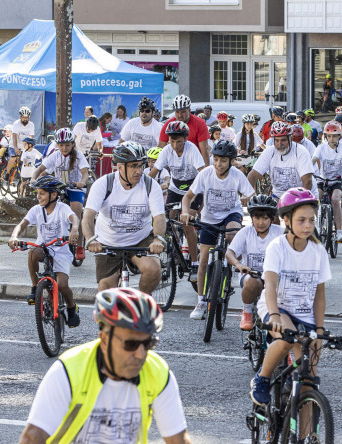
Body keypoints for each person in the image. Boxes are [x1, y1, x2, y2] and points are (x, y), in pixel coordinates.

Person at [20, 288, 196, 444]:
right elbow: (32, 439)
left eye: (148, 344)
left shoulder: (157, 372)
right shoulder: (69, 370)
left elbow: (179, 443)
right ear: (104, 339)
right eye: (131, 344)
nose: (141, 354)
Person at [249, 187, 332, 406]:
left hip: (305, 313)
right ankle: (262, 378)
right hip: (277, 307)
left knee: (309, 379)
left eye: (311, 220)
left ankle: (306, 437)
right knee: (287, 336)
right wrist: (274, 315)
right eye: (301, 220)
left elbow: (320, 294)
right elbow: (270, 284)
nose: (307, 226)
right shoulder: (277, 247)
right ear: (286, 219)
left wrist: (320, 330)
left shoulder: (318, 251)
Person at [181, 140, 254, 320]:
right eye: (216, 159)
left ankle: (237, 267)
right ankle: (200, 302)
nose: (218, 164)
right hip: (210, 218)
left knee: (232, 234)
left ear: (231, 161)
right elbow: (188, 197)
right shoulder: (205, 174)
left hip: (231, 214)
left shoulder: (237, 175)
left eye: (223, 160)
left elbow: (251, 195)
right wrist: (185, 213)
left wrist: (252, 206)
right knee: (203, 259)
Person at [83, 142, 166, 293]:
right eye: (134, 166)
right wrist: (90, 239)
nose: (139, 171)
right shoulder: (103, 184)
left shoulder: (151, 186)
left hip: (139, 239)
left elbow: (159, 217)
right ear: (120, 166)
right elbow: (88, 215)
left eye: (141, 165)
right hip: (108, 242)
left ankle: (140, 304)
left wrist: (158, 239)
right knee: (106, 290)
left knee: (153, 270)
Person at [8, 175, 81, 325]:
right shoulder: (36, 210)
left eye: (42, 193)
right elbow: (22, 225)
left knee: (62, 285)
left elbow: (75, 218)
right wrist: (14, 237)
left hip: (60, 250)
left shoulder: (63, 208)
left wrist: (74, 230)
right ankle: (35, 287)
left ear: (54, 195)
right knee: (32, 252)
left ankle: (72, 307)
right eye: (37, 193)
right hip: (43, 248)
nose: (38, 196)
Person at [151, 121, 206, 281]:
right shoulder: (167, 150)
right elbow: (154, 172)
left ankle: (195, 263)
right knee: (167, 217)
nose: (175, 145)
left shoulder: (192, 149)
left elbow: (202, 173)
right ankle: (176, 245)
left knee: (187, 222)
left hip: (193, 189)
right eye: (172, 141)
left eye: (179, 141)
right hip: (175, 188)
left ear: (186, 139)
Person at [227, 195, 284, 330]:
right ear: (252, 218)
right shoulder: (245, 232)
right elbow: (230, 252)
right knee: (252, 281)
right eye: (257, 218)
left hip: (275, 279)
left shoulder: (280, 233)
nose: (261, 222)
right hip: (251, 276)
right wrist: (239, 264)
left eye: (265, 218)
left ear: (272, 219)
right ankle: (247, 312)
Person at [32, 128, 92, 227]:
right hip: (60, 188)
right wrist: (34, 178)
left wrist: (82, 182)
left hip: (75, 188)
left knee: (76, 214)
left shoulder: (78, 155)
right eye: (61, 145)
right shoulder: (55, 155)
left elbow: (85, 173)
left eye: (67, 145)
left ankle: (78, 240)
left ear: (73, 144)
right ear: (57, 145)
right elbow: (40, 169)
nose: (64, 148)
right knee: (49, 207)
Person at [248, 122, 314, 199]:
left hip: (299, 195)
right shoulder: (269, 151)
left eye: (283, 140)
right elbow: (253, 175)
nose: (280, 144)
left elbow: (307, 182)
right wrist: (247, 194)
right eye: (277, 141)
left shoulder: (301, 151)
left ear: (290, 139)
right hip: (277, 196)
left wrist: (297, 201)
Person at [312, 120, 342, 240]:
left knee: (335, 200)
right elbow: (313, 160)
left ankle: (339, 231)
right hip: (323, 179)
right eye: (329, 136)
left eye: (334, 136)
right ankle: (317, 223)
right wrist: (308, 171)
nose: (331, 138)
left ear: (339, 136)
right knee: (315, 198)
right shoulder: (321, 147)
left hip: (338, 180)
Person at [159, 95, 211, 165]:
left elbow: (204, 149)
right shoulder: (168, 124)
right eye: (177, 112)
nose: (180, 115)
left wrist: (206, 170)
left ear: (189, 110)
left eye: (183, 112)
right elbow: (160, 147)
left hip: (194, 163)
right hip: (174, 163)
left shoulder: (200, 123)